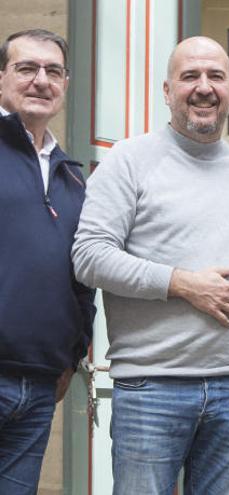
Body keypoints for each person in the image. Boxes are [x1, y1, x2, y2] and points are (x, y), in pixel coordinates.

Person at [71, 36, 229, 494]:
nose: (203, 87)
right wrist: (181, 283)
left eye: (215, 76)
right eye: (189, 76)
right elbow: (89, 256)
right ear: (166, 90)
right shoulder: (128, 161)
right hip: (151, 390)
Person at [0, 28, 95, 494]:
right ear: (1, 79)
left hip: (39, 387)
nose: (41, 80)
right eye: (26, 68)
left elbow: (83, 275)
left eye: (53, 71)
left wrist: (74, 353)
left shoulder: (71, 176)